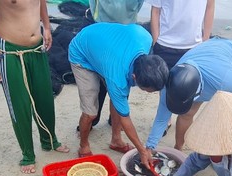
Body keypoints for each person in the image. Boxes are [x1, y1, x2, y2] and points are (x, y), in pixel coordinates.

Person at [0, 0, 70, 174]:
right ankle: (27, 154)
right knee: (19, 103)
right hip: (9, 50)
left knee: (44, 97)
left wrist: (47, 27)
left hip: (37, 47)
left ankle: (49, 140)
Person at [68, 22, 168, 167]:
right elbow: (125, 118)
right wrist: (142, 150)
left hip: (104, 49)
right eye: (148, 90)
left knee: (119, 99)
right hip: (82, 53)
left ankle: (116, 140)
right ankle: (83, 145)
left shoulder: (146, 38)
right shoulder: (117, 78)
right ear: (134, 77)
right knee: (90, 113)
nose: (151, 93)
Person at [146, 38, 232, 151]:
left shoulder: (224, 80)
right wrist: (150, 146)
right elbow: (161, 119)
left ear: (197, 94)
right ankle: (178, 148)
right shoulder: (171, 82)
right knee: (187, 114)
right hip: (211, 52)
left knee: (228, 119)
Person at [148, 0, 215, 69]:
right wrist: (156, 42)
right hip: (165, 45)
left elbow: (209, 6)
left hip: (194, 47)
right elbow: (155, 10)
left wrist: (205, 40)